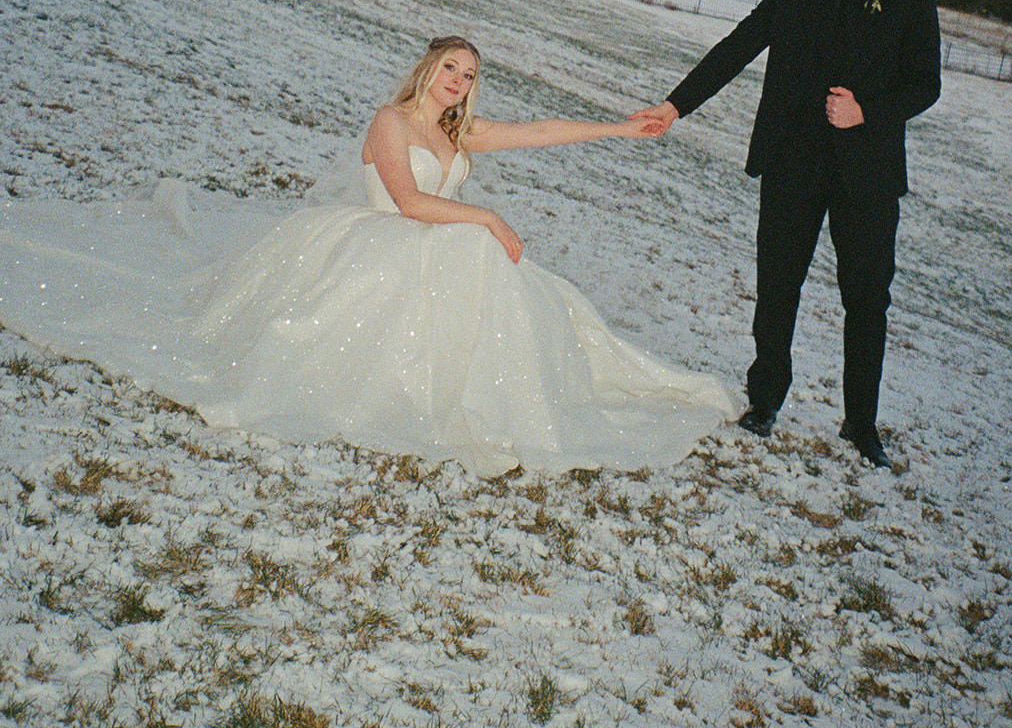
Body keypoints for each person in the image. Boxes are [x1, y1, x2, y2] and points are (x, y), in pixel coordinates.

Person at [0, 35, 738, 476]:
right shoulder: (391, 121)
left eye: (470, 76)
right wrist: (486, 215)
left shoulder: (459, 133)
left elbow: (541, 131)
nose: (459, 82)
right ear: (427, 70)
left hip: (442, 249)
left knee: (500, 276)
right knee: (474, 249)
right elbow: (409, 203)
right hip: (380, 242)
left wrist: (620, 129)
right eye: (451, 68)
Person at [636, 0, 940, 469]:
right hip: (791, 161)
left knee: (867, 300)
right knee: (778, 285)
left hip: (867, 175)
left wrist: (866, 111)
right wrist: (675, 106)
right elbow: (742, 43)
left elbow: (926, 84)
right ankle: (765, 400)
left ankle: (861, 424)